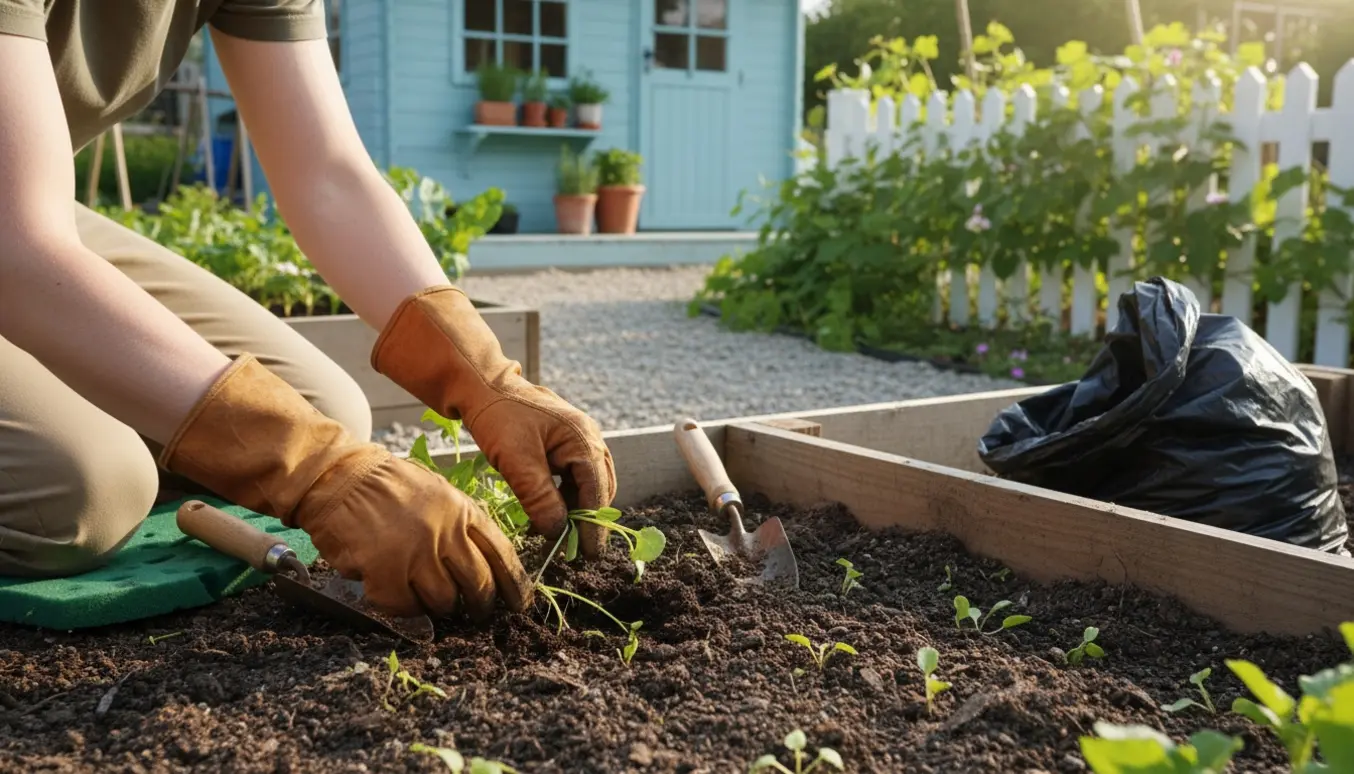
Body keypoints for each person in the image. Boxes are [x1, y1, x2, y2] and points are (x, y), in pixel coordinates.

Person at [0, 0, 616, 621]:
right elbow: (18, 249)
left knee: (326, 412)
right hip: (15, 228)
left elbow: (328, 173)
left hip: (26, 204)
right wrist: (315, 471)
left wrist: (487, 379)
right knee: (80, 498)